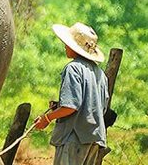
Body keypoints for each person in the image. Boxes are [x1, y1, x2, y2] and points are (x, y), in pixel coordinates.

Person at [34, 22, 109, 165]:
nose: (64, 46)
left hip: (74, 139)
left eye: (67, 43)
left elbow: (71, 107)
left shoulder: (73, 68)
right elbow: (99, 108)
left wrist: (47, 118)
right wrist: (59, 106)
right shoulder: (100, 74)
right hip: (93, 140)